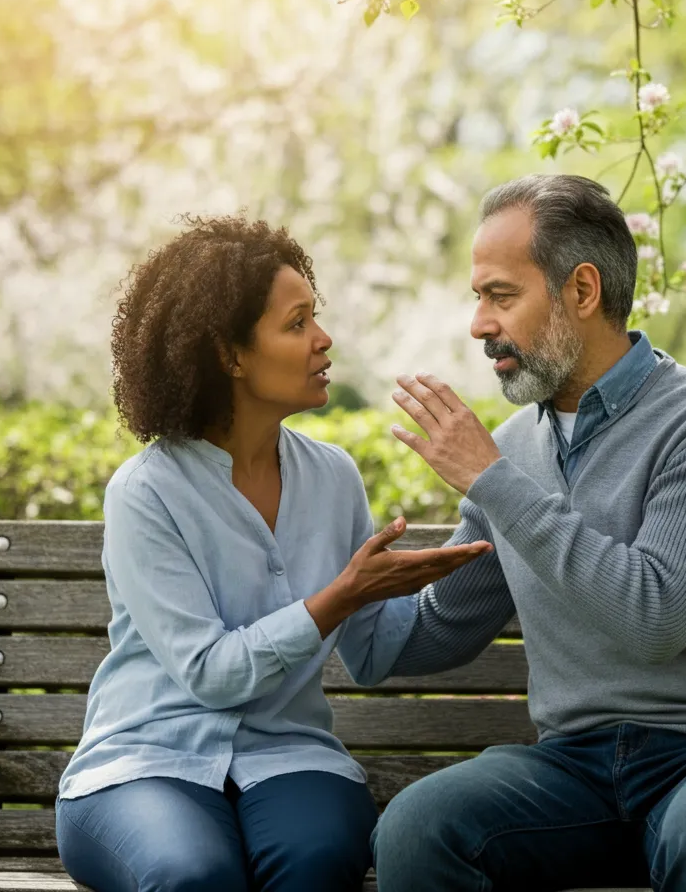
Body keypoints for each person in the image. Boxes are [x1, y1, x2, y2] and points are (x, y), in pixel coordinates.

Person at [370, 174, 686, 892]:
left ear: (581, 292)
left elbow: (656, 619)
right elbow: (440, 628)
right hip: (576, 771)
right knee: (418, 829)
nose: (479, 326)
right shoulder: (515, 449)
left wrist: (493, 481)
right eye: (478, 298)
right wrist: (329, 586)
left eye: (500, 295)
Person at [55, 214, 491, 892]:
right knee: (193, 875)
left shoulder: (333, 476)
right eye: (296, 325)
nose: (323, 341)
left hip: (289, 757)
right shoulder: (146, 492)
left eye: (315, 318)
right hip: (145, 761)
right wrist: (338, 596)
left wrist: (490, 531)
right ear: (230, 355)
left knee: (314, 864)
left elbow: (373, 652)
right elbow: (211, 673)